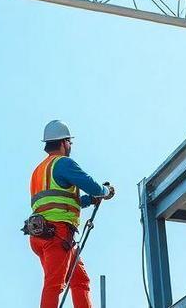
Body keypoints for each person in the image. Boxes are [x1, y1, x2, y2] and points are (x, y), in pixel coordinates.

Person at [25, 120, 114, 308]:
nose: (70, 146)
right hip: (57, 234)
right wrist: (105, 192)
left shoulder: (39, 171)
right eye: (70, 142)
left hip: (41, 234)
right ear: (64, 142)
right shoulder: (63, 163)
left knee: (79, 279)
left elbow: (60, 202)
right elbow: (93, 186)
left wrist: (90, 200)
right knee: (54, 285)